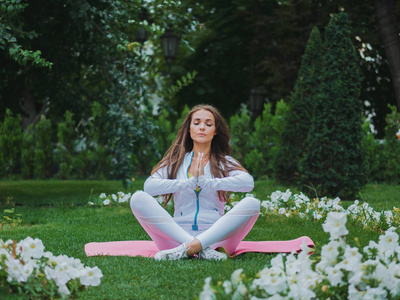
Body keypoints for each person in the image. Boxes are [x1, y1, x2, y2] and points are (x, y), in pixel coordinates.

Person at [130, 104, 260, 260]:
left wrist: (208, 182)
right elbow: (149, 187)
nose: (202, 127)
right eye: (197, 123)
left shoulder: (223, 162)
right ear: (189, 129)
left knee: (253, 204)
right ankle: (195, 246)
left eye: (208, 124)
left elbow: (247, 183)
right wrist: (187, 183)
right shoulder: (176, 162)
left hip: (217, 240)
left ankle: (194, 247)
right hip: (176, 239)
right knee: (137, 198)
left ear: (215, 131)